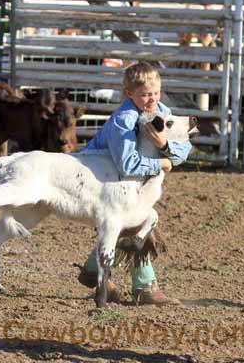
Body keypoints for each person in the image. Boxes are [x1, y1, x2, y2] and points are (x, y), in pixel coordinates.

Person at [79, 61, 192, 306]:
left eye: (155, 93)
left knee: (131, 223)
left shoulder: (160, 111)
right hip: (99, 177)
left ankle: (95, 271)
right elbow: (127, 164)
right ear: (129, 93)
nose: (151, 100)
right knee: (139, 220)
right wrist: (161, 164)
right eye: (144, 95)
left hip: (127, 181)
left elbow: (184, 147)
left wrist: (165, 147)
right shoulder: (125, 119)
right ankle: (143, 286)